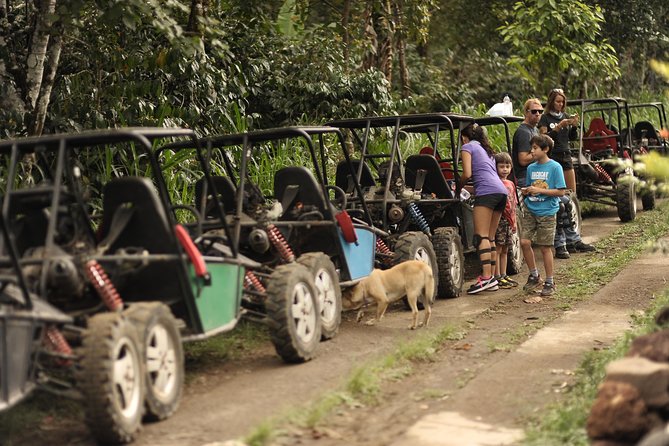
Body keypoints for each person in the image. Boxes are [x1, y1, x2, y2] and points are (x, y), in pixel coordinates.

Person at [538, 88, 595, 258]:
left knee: (571, 195)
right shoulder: (545, 118)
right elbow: (543, 139)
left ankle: (573, 237)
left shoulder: (565, 116)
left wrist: (573, 127)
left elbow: (571, 138)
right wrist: (558, 128)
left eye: (562, 102)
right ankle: (560, 240)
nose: (560, 104)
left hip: (566, 155)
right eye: (557, 101)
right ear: (551, 102)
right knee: (558, 197)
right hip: (552, 157)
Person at [459, 123, 508, 294]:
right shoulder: (488, 150)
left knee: (481, 237)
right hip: (501, 192)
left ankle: (486, 278)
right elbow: (484, 176)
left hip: (487, 193)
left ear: (465, 137)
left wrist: (457, 188)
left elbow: (467, 174)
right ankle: (492, 278)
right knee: (491, 237)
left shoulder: (468, 146)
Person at [520, 134, 566, 302]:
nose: (532, 151)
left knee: (545, 247)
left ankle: (550, 281)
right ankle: (534, 275)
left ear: (545, 149)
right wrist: (527, 190)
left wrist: (540, 191)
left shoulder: (555, 167)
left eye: (535, 148)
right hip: (531, 209)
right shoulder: (531, 168)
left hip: (547, 211)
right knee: (524, 242)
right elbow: (531, 187)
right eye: (531, 148)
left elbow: (561, 191)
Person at [493, 152, 519, 289]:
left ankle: (503, 274)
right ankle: (497, 276)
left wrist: (514, 221)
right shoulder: (495, 184)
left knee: (505, 249)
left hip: (510, 221)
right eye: (501, 166)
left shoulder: (510, 184)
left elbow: (513, 203)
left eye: (507, 166)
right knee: (497, 248)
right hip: (500, 221)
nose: (505, 170)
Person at [512, 98, 543, 187]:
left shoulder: (535, 130)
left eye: (540, 111)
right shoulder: (524, 132)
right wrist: (541, 152)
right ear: (526, 112)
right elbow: (523, 160)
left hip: (537, 174)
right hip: (525, 177)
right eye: (534, 111)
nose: (537, 114)